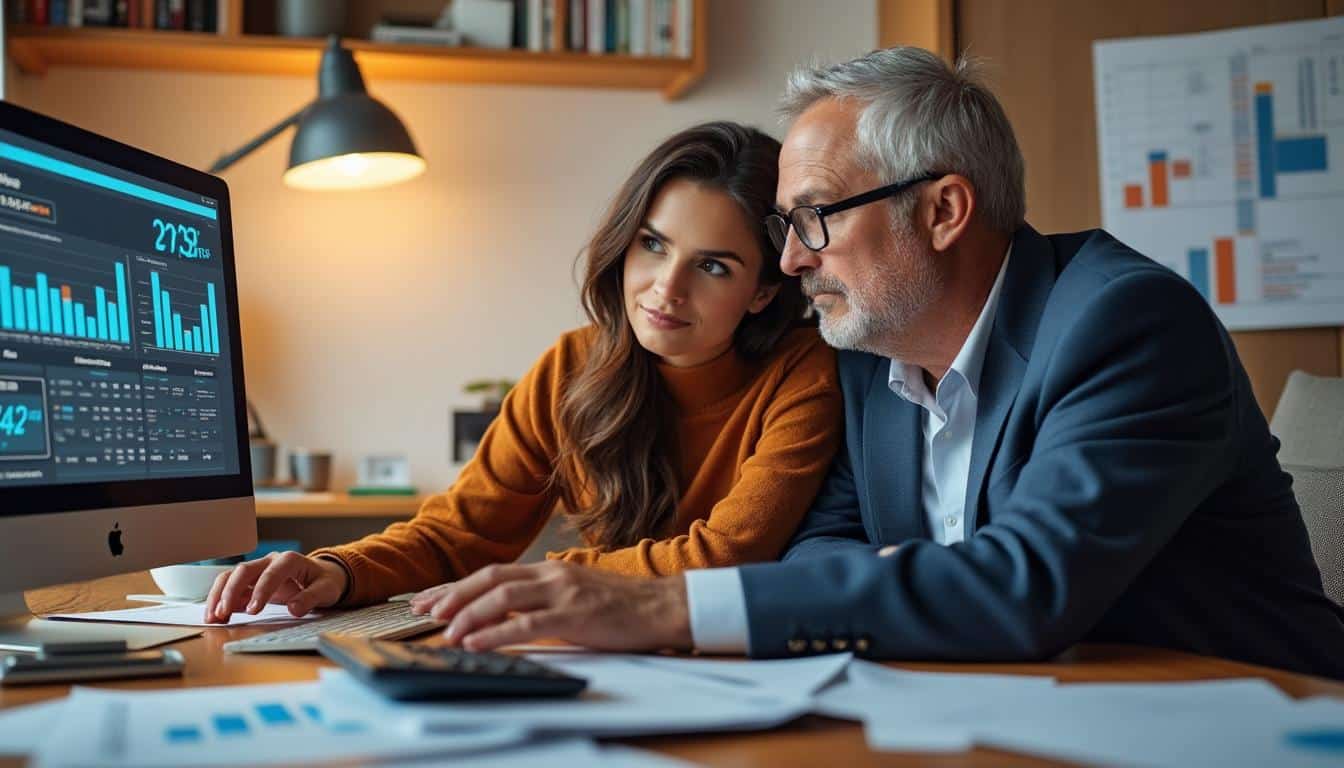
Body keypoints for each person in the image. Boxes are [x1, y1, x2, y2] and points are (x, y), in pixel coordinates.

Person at [417, 48, 1344, 679]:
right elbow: (824, 545)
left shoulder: (1126, 323)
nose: (791, 260)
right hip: (1009, 708)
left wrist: (665, 608)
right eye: (785, 226)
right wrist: (926, 583)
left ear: (943, 211)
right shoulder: (868, 358)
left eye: (815, 217)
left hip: (1244, 718)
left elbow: (1027, 585)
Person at [204, 122, 842, 623]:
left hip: (733, 662)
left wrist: (546, 580)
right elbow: (459, 533)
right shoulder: (573, 366)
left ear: (763, 291)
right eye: (653, 244)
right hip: (603, 657)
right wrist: (338, 571)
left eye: (712, 267)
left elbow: (728, 556)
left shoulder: (803, 374)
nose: (665, 288)